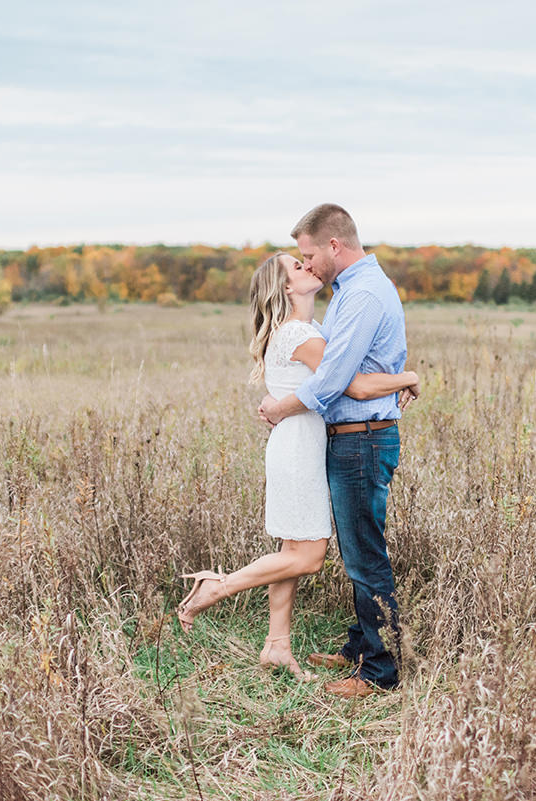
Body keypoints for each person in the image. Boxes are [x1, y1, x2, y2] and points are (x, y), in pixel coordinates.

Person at [176, 250, 417, 681]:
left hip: (295, 443)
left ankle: (276, 645)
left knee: (291, 551)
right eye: (297, 266)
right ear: (286, 287)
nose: (308, 267)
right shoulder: (301, 335)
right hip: (300, 449)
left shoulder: (304, 331)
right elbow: (356, 386)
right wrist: (409, 378)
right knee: (307, 557)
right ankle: (218, 586)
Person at [257, 203, 407, 699]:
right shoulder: (348, 291)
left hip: (363, 437)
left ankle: (379, 673)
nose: (308, 265)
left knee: (365, 557)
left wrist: (282, 407)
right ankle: (359, 647)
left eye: (308, 255)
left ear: (333, 247)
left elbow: (338, 380)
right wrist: (404, 378)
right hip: (350, 436)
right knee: (357, 551)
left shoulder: (362, 294)